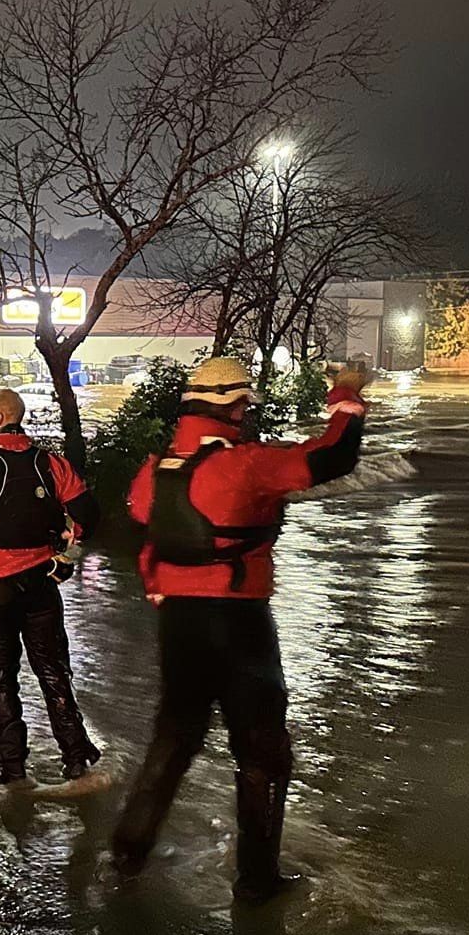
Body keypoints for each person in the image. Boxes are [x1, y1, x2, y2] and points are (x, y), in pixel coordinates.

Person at [110, 356, 368, 903]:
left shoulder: (156, 469)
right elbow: (333, 457)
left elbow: (143, 523)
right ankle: (256, 879)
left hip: (178, 623)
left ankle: (128, 852)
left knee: (175, 735)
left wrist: (157, 581)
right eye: (245, 404)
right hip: (239, 620)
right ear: (234, 406)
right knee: (261, 750)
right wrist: (346, 394)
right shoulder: (247, 466)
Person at [0, 386, 102, 784]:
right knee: (52, 669)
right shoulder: (52, 464)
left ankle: (11, 761)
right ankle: (75, 753)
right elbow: (87, 517)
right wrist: (64, 558)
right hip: (40, 584)